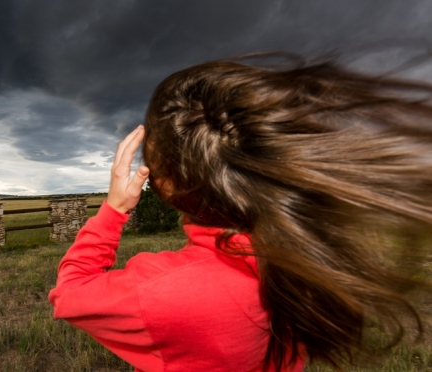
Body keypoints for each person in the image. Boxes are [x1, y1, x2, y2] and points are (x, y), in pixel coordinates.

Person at [48, 56, 432, 371]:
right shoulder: (303, 252)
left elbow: (68, 293)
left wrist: (114, 210)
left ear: (165, 183)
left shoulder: (162, 294)